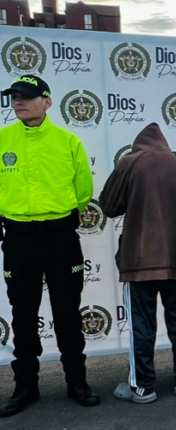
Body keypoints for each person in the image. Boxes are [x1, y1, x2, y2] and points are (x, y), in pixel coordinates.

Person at [0, 75, 99, 417]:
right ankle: (26, 388)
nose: (18, 102)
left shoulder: (68, 141)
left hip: (60, 238)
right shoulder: (2, 140)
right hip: (18, 238)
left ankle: (77, 383)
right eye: (14, 97)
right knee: (23, 316)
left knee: (67, 313)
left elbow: (83, 190)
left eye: (26, 96)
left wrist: (57, 215)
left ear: (47, 101)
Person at [99, 123, 176, 404]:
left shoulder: (130, 163)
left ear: (138, 146)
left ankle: (143, 387)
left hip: (141, 261)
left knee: (141, 324)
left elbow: (108, 205)